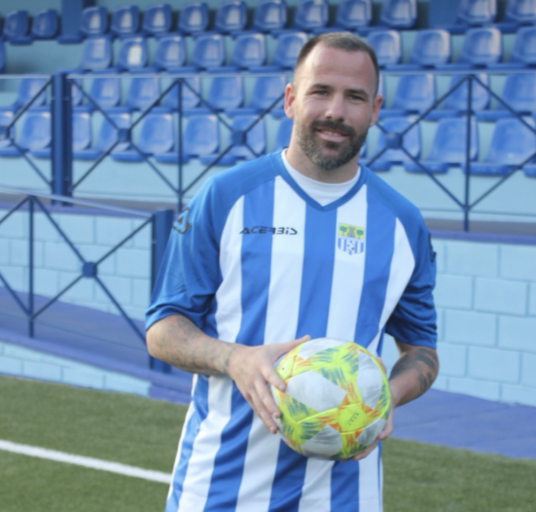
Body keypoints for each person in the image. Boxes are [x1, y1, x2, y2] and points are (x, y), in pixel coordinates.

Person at [145, 32, 439, 512]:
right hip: (220, 490)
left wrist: (383, 397)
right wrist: (234, 359)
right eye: (321, 91)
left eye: (355, 97)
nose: (336, 112)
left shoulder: (403, 224)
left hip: (345, 496)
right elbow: (163, 330)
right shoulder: (226, 197)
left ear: (376, 109)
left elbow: (422, 351)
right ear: (290, 99)